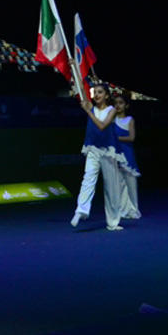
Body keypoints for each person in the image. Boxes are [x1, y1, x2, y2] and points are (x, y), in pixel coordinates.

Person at [70, 83, 124, 230]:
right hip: (93, 149)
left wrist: (89, 112)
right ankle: (80, 211)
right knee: (88, 178)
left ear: (106, 95)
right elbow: (80, 87)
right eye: (95, 93)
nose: (97, 95)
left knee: (111, 187)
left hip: (108, 151)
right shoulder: (90, 106)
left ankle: (113, 222)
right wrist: (74, 65)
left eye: (100, 92)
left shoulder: (111, 110)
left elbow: (102, 126)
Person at [113, 93, 141, 220]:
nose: (118, 105)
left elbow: (131, 137)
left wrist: (116, 138)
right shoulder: (112, 120)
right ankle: (122, 210)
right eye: (116, 103)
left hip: (127, 154)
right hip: (116, 154)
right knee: (119, 184)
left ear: (126, 105)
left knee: (131, 183)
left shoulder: (129, 120)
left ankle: (134, 209)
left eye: (121, 103)